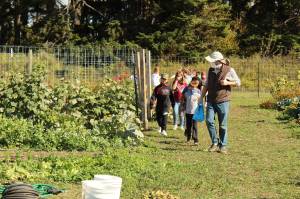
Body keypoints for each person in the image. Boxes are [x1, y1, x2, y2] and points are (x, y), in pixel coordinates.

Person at [200, 51, 241, 154]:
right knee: (209, 121)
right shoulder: (210, 70)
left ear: (217, 61)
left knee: (223, 125)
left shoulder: (229, 70)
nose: (210, 63)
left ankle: (223, 146)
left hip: (223, 101)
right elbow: (206, 85)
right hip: (210, 100)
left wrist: (228, 82)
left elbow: (238, 83)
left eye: (211, 61)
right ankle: (214, 143)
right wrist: (201, 97)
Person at [182, 77, 202, 145]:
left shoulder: (198, 91)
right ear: (191, 82)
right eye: (193, 82)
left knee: (195, 126)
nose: (194, 84)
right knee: (188, 125)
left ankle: (195, 139)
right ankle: (188, 138)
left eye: (196, 83)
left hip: (195, 112)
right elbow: (183, 97)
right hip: (188, 111)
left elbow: (200, 100)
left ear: (198, 84)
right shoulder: (186, 90)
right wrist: (183, 106)